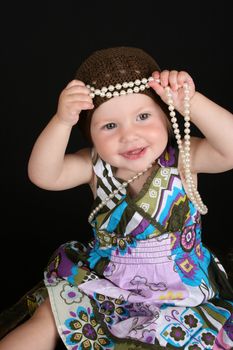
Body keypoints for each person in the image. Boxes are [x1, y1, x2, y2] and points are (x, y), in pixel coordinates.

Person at [0, 46, 233, 350]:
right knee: (50, 316)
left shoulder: (184, 159)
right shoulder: (94, 166)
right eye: (109, 125)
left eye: (143, 116)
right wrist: (61, 121)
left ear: (166, 116)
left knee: (179, 334)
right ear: (90, 135)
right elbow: (44, 175)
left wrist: (192, 101)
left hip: (179, 286)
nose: (129, 134)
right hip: (109, 281)